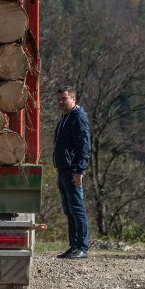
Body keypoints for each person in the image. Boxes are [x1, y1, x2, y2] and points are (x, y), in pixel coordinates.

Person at [53, 86, 91, 260]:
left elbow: (84, 147)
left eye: (64, 99)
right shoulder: (65, 118)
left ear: (73, 99)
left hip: (73, 171)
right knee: (69, 210)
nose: (61, 102)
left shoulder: (78, 117)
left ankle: (82, 247)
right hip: (63, 171)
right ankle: (74, 246)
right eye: (59, 99)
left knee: (77, 209)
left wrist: (79, 170)